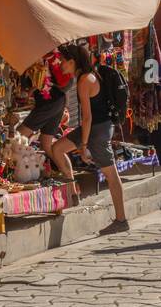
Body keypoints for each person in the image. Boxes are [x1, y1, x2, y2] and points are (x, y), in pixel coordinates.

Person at [54, 45, 129, 235]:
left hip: (98, 130)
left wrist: (84, 146)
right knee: (57, 148)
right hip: (93, 128)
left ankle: (121, 220)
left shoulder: (84, 81)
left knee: (111, 174)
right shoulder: (87, 75)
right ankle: (73, 193)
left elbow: (87, 117)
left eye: (63, 61)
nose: (61, 64)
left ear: (73, 62)